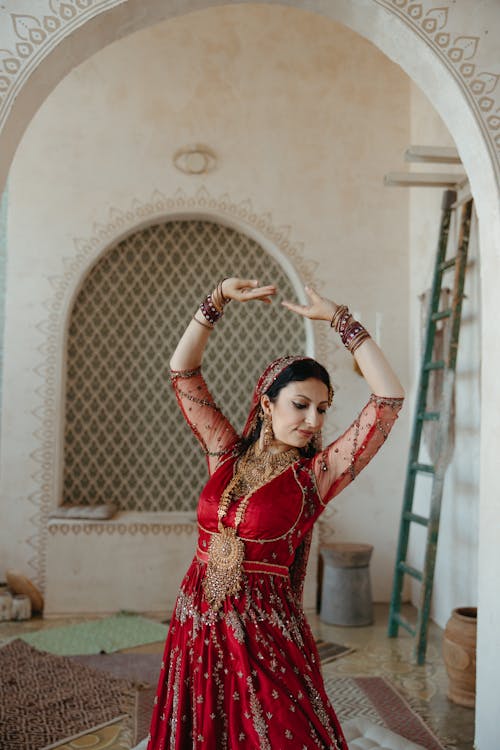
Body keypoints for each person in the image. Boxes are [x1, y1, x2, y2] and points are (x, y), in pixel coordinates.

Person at [147, 277, 404, 750]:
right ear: (267, 403)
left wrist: (341, 321)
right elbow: (182, 372)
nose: (314, 421)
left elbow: (386, 400)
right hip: (196, 619)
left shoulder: (315, 477)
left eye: (324, 410)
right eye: (301, 405)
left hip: (265, 634)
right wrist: (218, 298)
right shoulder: (224, 454)